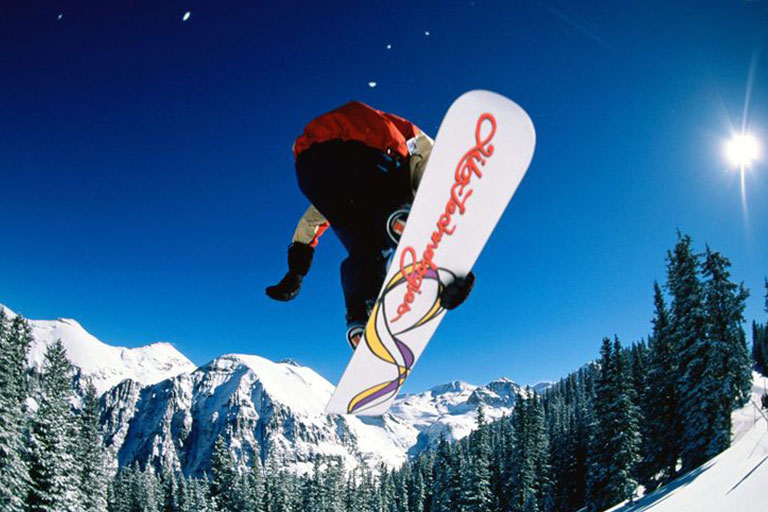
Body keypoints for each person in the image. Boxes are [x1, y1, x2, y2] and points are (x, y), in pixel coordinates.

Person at [266, 101, 475, 349]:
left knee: (366, 248)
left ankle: (362, 313)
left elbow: (313, 218)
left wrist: (296, 272)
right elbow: (434, 169)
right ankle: (399, 219)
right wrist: (450, 266)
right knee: (386, 222)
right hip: (371, 145)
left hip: (310, 166)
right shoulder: (418, 142)